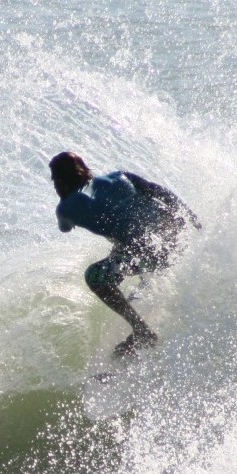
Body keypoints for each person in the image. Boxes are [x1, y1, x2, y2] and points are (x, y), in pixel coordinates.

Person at [49, 151, 200, 358]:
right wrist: (195, 221)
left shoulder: (66, 208)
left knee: (95, 277)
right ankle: (145, 326)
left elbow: (64, 228)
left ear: (58, 181)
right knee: (130, 265)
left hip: (149, 251)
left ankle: (141, 331)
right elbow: (164, 195)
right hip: (174, 235)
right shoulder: (121, 176)